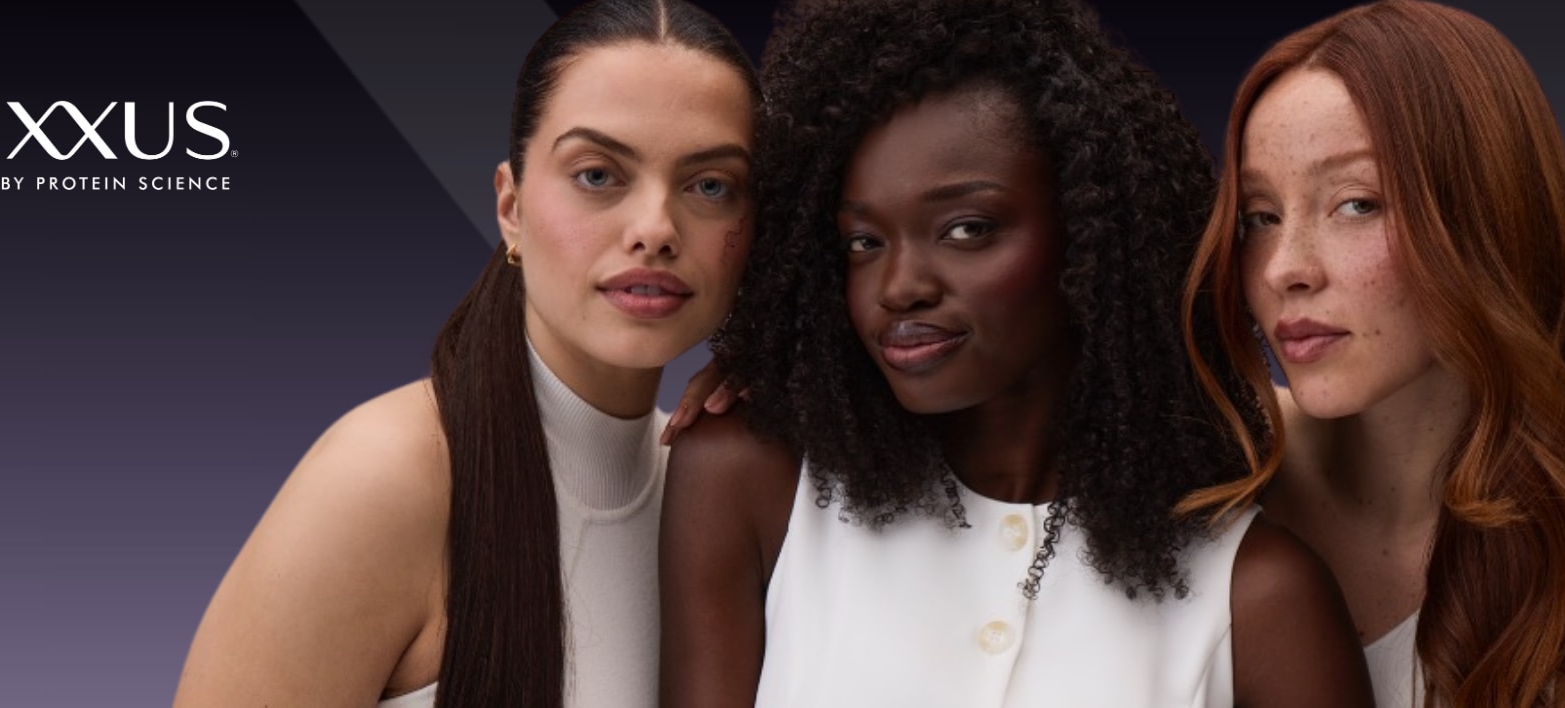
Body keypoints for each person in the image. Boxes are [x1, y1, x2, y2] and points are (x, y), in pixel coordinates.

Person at [660, 0, 1370, 705]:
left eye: (967, 229)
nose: (898, 287)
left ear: (1091, 237)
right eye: (863, 243)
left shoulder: (1257, 595)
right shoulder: (753, 484)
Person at [172, 1, 757, 706]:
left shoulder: (720, 492)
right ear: (511, 209)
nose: (656, 228)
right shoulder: (389, 478)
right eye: (598, 175)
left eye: (711, 186)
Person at [1174, 1, 1565, 706]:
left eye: (1356, 203)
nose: (1282, 268)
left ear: (1490, 215)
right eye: (1260, 217)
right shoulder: (1209, 468)